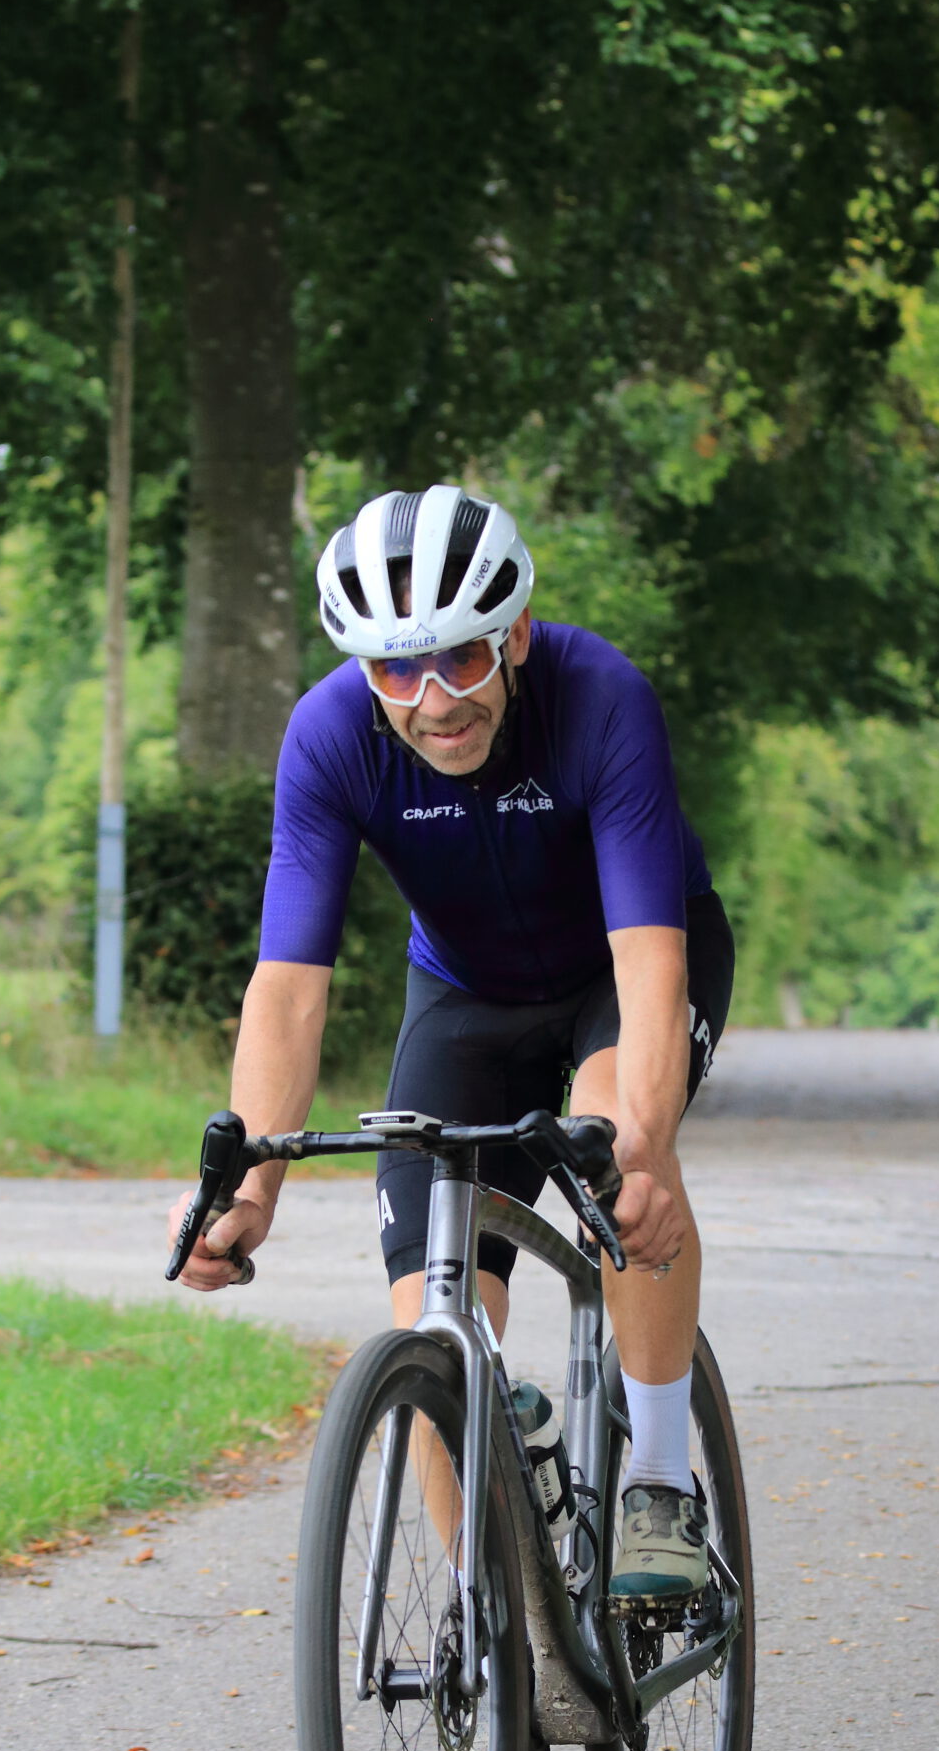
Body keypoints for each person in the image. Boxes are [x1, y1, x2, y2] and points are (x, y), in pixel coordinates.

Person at [171, 482, 733, 1604]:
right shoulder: (329, 736)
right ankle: (491, 1627)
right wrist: (251, 1190)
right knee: (429, 1317)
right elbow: (288, 988)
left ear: (513, 636)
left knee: (621, 1162)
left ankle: (660, 1484)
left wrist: (646, 1151)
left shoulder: (600, 696)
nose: (435, 703)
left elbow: (647, 964)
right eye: (397, 671)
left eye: (462, 659)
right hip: (466, 995)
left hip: (619, 972)